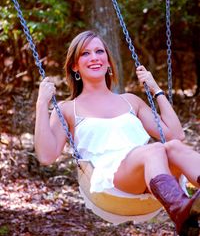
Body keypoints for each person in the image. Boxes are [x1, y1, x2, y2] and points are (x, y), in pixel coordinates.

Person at [35, 30, 200, 235]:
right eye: (85, 54)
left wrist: (156, 89)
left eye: (99, 51)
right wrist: (42, 103)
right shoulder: (68, 109)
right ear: (75, 66)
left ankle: (181, 207)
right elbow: (46, 155)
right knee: (154, 149)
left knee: (173, 147)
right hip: (112, 179)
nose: (94, 57)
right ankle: (180, 211)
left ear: (108, 61)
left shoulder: (130, 101)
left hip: (151, 171)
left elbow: (176, 135)